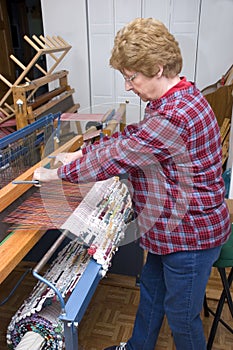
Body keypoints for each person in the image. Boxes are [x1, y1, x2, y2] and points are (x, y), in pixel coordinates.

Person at [33, 18, 231, 350]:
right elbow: (133, 138)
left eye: (131, 77)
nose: (128, 86)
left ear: (157, 67)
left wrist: (57, 174)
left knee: (182, 319)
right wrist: (83, 152)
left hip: (190, 237)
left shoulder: (175, 115)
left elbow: (122, 156)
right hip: (169, 231)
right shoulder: (175, 99)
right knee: (152, 294)